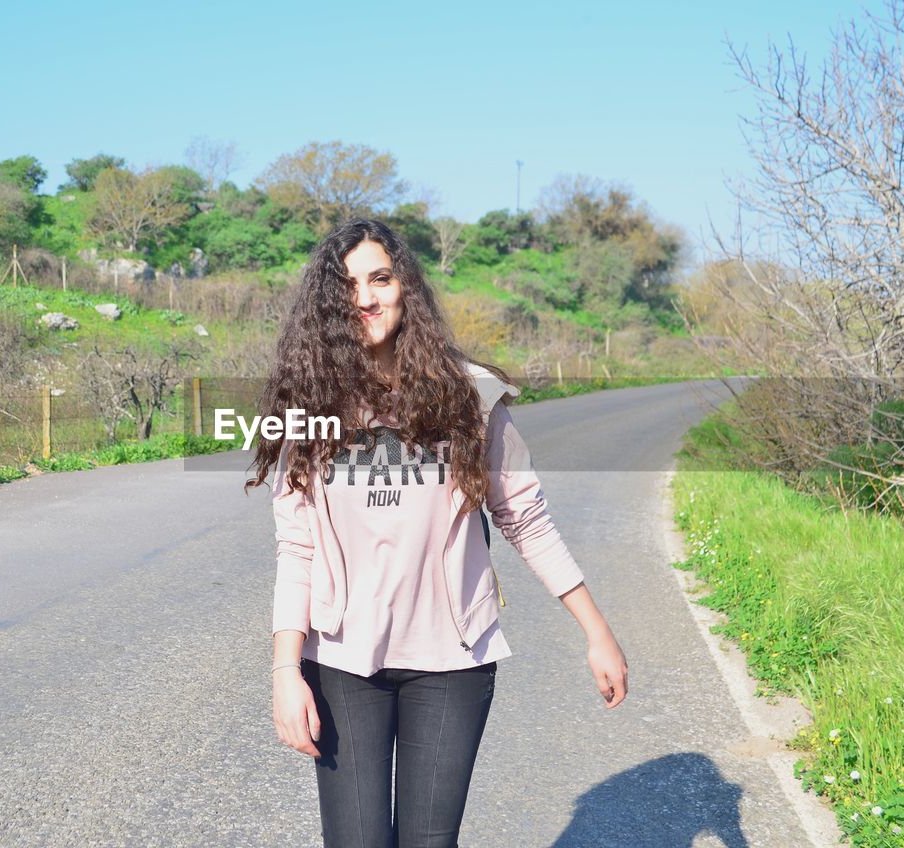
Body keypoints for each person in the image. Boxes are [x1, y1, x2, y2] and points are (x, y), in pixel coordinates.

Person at [243, 218, 628, 847]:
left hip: (453, 661)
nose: (366, 298)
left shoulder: (469, 395)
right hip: (343, 661)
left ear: (405, 287)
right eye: (348, 286)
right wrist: (286, 670)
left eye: (380, 278)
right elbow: (297, 547)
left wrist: (597, 631)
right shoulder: (311, 405)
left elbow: (524, 518)